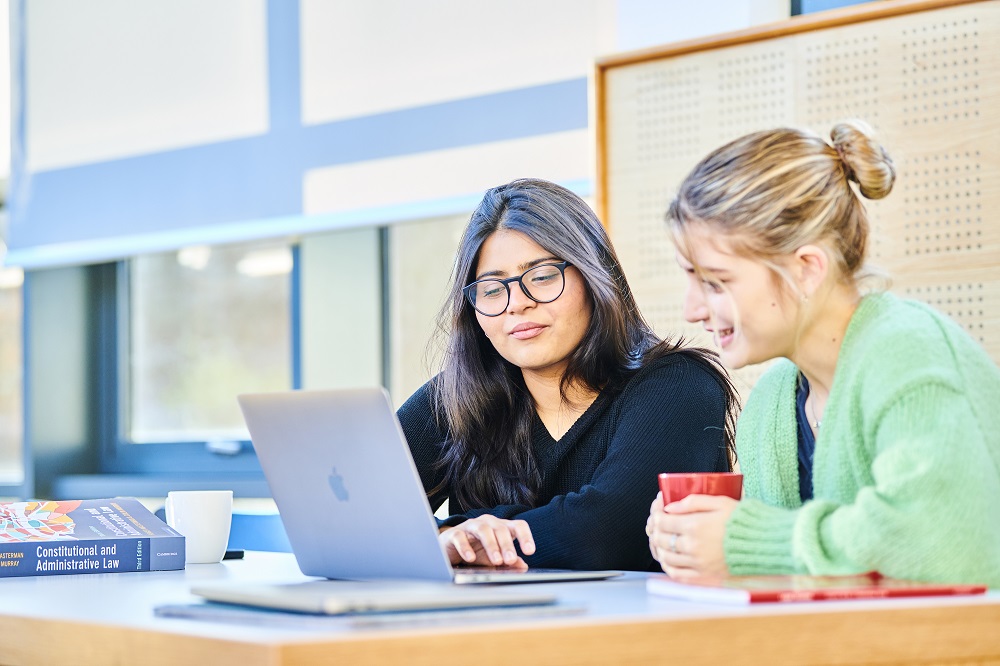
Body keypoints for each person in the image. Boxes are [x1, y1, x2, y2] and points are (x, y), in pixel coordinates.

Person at [647, 121, 1000, 585]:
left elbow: (943, 543)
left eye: (715, 282)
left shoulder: (910, 356)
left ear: (807, 269)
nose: (692, 310)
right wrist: (693, 540)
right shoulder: (771, 403)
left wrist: (747, 542)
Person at [397, 178, 739, 572]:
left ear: (594, 276)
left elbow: (604, 533)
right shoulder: (454, 399)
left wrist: (465, 537)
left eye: (542, 276)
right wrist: (443, 536)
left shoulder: (679, 385)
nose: (516, 304)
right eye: (491, 289)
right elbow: (364, 523)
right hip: (491, 616)